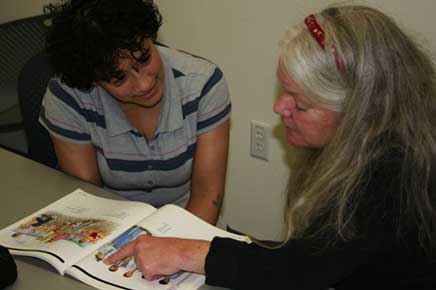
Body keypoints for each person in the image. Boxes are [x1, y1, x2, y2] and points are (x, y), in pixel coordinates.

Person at [105, 5, 436, 289]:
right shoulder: (381, 139)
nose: (280, 108)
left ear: (358, 113)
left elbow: (303, 269)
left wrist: (184, 253)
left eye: (300, 103)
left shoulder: (391, 173)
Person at [39, 0, 231, 225]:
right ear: (93, 80)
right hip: (108, 224)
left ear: (151, 38)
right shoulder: (68, 97)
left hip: (185, 221)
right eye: (118, 78)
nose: (143, 85)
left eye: (144, 58)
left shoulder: (203, 85)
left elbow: (207, 196)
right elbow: (87, 199)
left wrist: (174, 252)